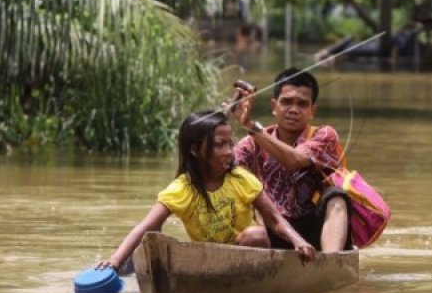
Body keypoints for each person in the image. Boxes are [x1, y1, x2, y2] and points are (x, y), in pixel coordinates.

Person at [96, 110, 315, 271]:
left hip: (247, 259)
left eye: (230, 143)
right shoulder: (182, 189)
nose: (230, 152)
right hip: (208, 263)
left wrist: (299, 241)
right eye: (220, 144)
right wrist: (115, 260)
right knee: (156, 242)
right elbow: (145, 226)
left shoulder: (241, 178)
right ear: (194, 150)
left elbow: (275, 219)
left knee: (256, 234)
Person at [231, 68, 352, 252]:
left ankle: (330, 263)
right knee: (251, 229)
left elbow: (294, 160)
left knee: (336, 197)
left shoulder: (325, 135)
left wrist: (249, 125)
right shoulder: (251, 143)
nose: (294, 110)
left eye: (302, 104)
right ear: (274, 106)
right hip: (275, 227)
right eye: (286, 102)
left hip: (316, 230)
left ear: (312, 111)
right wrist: (217, 123)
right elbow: (221, 167)